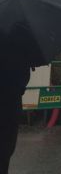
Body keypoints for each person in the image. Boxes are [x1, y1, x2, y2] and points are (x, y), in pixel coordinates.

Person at [0, 25, 33, 174]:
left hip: (10, 107)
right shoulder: (20, 42)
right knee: (4, 154)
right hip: (10, 108)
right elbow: (22, 82)